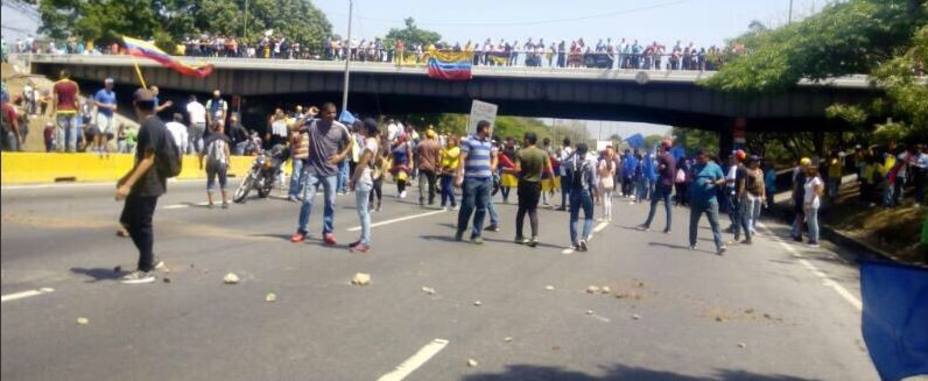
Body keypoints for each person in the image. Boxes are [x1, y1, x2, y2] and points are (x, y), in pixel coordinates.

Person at [116, 88, 168, 284]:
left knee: (143, 225)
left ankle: (145, 268)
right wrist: (126, 178)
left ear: (136, 106)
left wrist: (127, 185)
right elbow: (142, 161)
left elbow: (147, 160)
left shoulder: (150, 127)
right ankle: (149, 258)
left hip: (149, 183)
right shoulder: (153, 124)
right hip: (144, 182)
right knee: (128, 220)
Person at [290, 102, 351, 245]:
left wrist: (340, 157)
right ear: (323, 113)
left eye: (334, 113)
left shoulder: (340, 127)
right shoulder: (313, 124)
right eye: (329, 113)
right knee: (307, 201)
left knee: (330, 203)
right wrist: (308, 114)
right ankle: (302, 230)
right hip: (313, 170)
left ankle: (328, 232)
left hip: (330, 172)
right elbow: (294, 128)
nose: (332, 116)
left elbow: (350, 142)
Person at [503, 132, 551, 247]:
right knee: (533, 211)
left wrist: (506, 170)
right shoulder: (543, 153)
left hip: (524, 184)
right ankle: (535, 236)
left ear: (528, 140)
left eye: (524, 139)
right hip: (536, 186)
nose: (523, 141)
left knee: (521, 211)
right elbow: (549, 170)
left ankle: (519, 236)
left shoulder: (521, 153)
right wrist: (550, 182)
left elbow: (517, 170)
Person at [454, 120, 497, 244]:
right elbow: (461, 159)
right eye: (489, 128)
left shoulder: (490, 143)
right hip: (471, 179)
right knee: (468, 206)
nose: (490, 131)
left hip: (486, 180)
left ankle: (476, 234)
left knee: (482, 208)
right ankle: (461, 229)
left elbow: (495, 156)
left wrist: (493, 166)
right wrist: (458, 176)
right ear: (484, 129)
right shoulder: (469, 140)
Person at [348, 118, 380, 253]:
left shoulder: (371, 143)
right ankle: (363, 238)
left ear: (366, 129)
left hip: (363, 178)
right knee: (363, 211)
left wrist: (353, 179)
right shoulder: (371, 142)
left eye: (362, 127)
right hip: (364, 177)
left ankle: (365, 241)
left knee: (363, 212)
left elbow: (362, 164)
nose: (360, 129)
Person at [688, 150, 727, 255]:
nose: (699, 160)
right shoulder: (694, 167)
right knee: (693, 223)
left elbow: (723, 179)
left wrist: (714, 182)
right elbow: (689, 177)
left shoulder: (715, 167)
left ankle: (719, 246)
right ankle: (692, 243)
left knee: (715, 223)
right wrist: (691, 181)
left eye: (701, 158)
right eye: (698, 158)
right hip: (696, 200)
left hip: (710, 201)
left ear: (707, 157)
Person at [565, 143, 598, 251]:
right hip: (586, 192)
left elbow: (562, 163)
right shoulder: (591, 163)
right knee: (588, 216)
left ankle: (575, 241)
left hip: (574, 192)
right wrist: (597, 195)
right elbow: (593, 182)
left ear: (577, 151)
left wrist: (572, 154)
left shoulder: (571, 163)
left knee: (574, 217)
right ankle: (584, 238)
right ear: (586, 151)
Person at [639, 141, 676, 233]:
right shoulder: (672, 157)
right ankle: (668, 227)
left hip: (662, 183)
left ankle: (647, 225)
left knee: (654, 203)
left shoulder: (663, 157)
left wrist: (658, 166)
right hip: (670, 184)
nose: (660, 148)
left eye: (661, 146)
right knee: (668, 206)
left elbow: (658, 166)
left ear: (664, 147)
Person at [200, 121, 231, 208]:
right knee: (223, 182)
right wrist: (228, 161)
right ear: (219, 128)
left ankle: (211, 203)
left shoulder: (208, 138)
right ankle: (224, 202)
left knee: (210, 182)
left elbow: (202, 152)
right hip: (221, 162)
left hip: (210, 163)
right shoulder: (224, 138)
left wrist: (200, 163)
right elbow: (226, 150)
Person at [52, 70, 80, 152]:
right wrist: (79, 108)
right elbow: (77, 98)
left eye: (60, 74)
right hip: (72, 110)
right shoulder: (74, 84)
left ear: (62, 75)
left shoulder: (57, 84)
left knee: (61, 129)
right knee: (73, 129)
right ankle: (72, 148)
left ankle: (61, 148)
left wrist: (53, 110)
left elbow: (55, 99)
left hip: (61, 109)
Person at [741, 155, 765, 242]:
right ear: (751, 162)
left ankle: (752, 228)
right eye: (757, 161)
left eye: (759, 161)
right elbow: (743, 183)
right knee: (749, 214)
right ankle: (748, 233)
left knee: (757, 214)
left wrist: (763, 195)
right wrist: (745, 193)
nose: (759, 162)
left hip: (758, 195)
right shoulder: (747, 171)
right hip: (750, 194)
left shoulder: (760, 171)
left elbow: (762, 183)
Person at [93, 78, 118, 156]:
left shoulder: (113, 93)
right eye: (109, 83)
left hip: (110, 115)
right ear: (106, 84)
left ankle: (103, 147)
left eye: (112, 84)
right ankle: (96, 147)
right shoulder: (100, 92)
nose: (111, 85)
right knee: (100, 130)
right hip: (102, 114)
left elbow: (114, 103)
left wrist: (115, 107)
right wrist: (106, 106)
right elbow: (96, 102)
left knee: (107, 132)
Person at [416, 129, 441, 206]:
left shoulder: (420, 144)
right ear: (432, 136)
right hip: (431, 166)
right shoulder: (436, 145)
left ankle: (422, 199)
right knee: (432, 183)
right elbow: (437, 157)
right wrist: (438, 165)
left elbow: (416, 153)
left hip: (422, 165)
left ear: (426, 135)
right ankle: (431, 199)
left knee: (421, 183)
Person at [791, 158, 812, 241]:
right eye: (802, 165)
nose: (803, 167)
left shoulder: (812, 174)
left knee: (809, 218)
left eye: (806, 165)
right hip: (799, 197)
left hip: (808, 198)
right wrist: (793, 196)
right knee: (799, 216)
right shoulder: (799, 174)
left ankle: (812, 236)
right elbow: (795, 186)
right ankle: (798, 234)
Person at [803, 164, 824, 247]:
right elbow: (806, 192)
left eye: (811, 169)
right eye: (809, 169)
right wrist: (805, 203)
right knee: (809, 221)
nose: (809, 170)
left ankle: (815, 240)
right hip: (806, 202)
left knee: (813, 221)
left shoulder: (816, 180)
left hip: (813, 203)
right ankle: (811, 238)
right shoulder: (808, 179)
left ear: (815, 171)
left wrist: (810, 203)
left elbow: (816, 193)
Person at [439, 134, 461, 211]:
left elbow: (451, 156)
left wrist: (443, 150)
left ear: (455, 142)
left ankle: (454, 203)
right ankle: (443, 203)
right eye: (448, 140)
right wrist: (440, 165)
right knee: (443, 187)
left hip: (451, 169)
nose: (449, 142)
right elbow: (442, 157)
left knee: (448, 187)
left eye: (451, 141)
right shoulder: (446, 148)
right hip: (444, 168)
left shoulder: (457, 149)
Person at [391, 134, 414, 198]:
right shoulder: (395, 145)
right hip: (396, 163)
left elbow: (409, 155)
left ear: (403, 138)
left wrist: (410, 163)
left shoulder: (406, 145)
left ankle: (403, 190)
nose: (398, 139)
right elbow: (392, 153)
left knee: (402, 177)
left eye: (400, 137)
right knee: (397, 178)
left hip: (404, 163)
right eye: (398, 137)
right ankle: (399, 191)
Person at [598, 146, 617, 222]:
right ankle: (609, 216)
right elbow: (614, 173)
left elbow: (600, 171)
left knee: (604, 200)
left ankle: (604, 217)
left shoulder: (603, 162)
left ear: (605, 155)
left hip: (604, 181)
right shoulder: (613, 163)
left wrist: (602, 171)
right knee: (609, 200)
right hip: (610, 181)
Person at [558, 141, 573, 210]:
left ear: (564, 144)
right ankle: (570, 206)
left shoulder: (564, 151)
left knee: (564, 189)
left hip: (564, 172)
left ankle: (563, 205)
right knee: (570, 189)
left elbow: (562, 161)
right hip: (571, 172)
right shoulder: (572, 151)